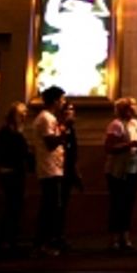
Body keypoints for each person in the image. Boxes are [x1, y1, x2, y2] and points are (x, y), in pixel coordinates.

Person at [104, 96, 137, 251]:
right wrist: (128, 145)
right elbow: (108, 147)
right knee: (117, 203)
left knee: (129, 203)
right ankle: (114, 237)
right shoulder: (116, 125)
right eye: (134, 105)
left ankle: (125, 235)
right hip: (117, 171)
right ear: (126, 108)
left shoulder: (135, 124)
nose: (136, 107)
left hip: (133, 168)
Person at [0, 101, 32, 255]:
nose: (24, 116)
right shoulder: (7, 133)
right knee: (12, 206)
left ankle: (9, 238)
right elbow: (3, 153)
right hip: (10, 173)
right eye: (21, 114)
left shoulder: (16, 132)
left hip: (16, 172)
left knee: (15, 206)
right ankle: (6, 239)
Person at [33, 85, 67, 256]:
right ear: (55, 100)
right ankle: (42, 244)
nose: (63, 103)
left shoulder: (50, 118)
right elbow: (50, 142)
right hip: (49, 167)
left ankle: (45, 242)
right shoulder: (46, 118)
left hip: (54, 167)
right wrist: (63, 133)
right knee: (49, 206)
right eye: (62, 100)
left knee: (52, 205)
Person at [58, 102, 83, 249]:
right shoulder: (60, 127)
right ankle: (55, 236)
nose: (71, 113)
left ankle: (60, 235)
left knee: (64, 203)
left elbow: (73, 152)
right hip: (59, 170)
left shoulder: (71, 129)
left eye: (72, 110)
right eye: (67, 110)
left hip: (68, 170)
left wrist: (76, 171)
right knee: (58, 204)